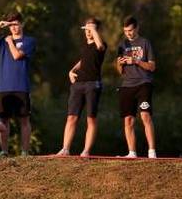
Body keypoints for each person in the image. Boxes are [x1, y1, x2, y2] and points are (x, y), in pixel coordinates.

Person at [0, 12, 36, 156]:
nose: (13, 27)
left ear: (21, 24)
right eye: (10, 25)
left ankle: (25, 151)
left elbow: (17, 55)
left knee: (24, 120)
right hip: (4, 87)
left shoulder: (29, 41)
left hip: (21, 86)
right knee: (3, 120)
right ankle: (4, 151)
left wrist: (9, 42)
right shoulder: (2, 40)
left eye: (16, 24)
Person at [56, 17, 107, 157]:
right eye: (86, 28)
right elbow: (83, 61)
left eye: (92, 28)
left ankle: (86, 151)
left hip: (92, 84)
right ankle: (65, 149)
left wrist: (93, 30)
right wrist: (71, 71)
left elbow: (100, 46)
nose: (88, 31)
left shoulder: (101, 45)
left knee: (91, 118)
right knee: (71, 117)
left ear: (96, 30)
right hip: (78, 84)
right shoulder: (85, 46)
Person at [116, 16, 157, 159]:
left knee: (145, 115)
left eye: (131, 30)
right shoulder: (122, 45)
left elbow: (152, 66)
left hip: (143, 83)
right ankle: (131, 153)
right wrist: (120, 63)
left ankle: (152, 152)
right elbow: (120, 71)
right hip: (127, 85)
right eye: (126, 31)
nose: (129, 33)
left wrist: (136, 61)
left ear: (137, 28)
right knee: (128, 120)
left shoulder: (145, 43)